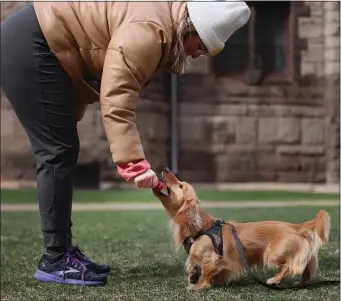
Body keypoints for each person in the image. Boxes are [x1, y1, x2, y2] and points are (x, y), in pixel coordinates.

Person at [0, 1, 250, 286]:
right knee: (57, 151)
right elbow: (117, 94)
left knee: (61, 148)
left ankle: (62, 253)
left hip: (38, 45)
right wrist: (132, 161)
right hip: (32, 44)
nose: (197, 55)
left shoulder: (161, 22)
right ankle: (56, 259)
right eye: (202, 47)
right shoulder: (150, 30)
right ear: (190, 28)